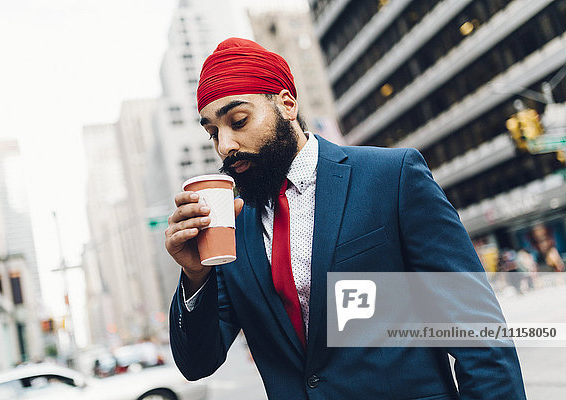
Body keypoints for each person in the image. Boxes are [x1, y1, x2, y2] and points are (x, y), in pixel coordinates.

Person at [165, 38, 526, 399]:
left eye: (238, 121)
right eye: (213, 132)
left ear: (287, 104)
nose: (225, 144)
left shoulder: (392, 178)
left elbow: (478, 334)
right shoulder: (231, 227)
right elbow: (197, 364)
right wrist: (196, 276)